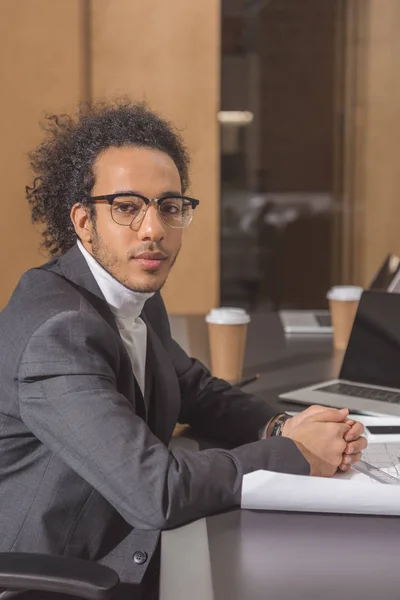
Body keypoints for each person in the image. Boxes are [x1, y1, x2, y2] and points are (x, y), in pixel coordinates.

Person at [0, 101, 366, 599]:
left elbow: (193, 386)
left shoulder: (132, 293)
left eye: (169, 207)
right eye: (127, 208)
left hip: (124, 545)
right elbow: (157, 490)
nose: (153, 230)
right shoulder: (58, 331)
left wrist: (280, 425)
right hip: (64, 576)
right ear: (83, 221)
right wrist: (296, 453)